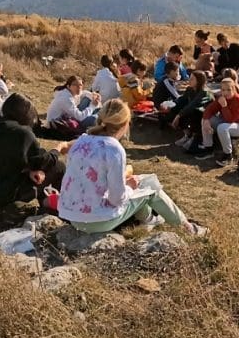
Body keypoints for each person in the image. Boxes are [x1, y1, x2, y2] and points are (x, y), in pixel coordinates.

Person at [58, 99, 207, 236]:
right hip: (97, 221)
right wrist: (129, 187)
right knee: (151, 190)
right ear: (125, 124)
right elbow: (117, 199)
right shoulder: (114, 149)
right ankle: (187, 228)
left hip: (73, 217)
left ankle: (149, 219)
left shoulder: (81, 141)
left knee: (144, 181)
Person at [0, 93, 65, 210]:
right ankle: (57, 207)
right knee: (58, 167)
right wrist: (58, 149)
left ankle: (46, 202)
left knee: (37, 172)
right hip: (1, 198)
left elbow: (4, 159)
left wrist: (30, 170)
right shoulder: (23, 133)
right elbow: (42, 161)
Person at [193, 79, 239, 166]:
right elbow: (209, 110)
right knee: (206, 119)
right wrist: (206, 121)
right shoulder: (222, 98)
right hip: (226, 123)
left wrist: (224, 106)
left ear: (234, 89)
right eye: (223, 90)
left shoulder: (238, 101)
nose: (225, 92)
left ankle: (228, 156)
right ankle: (208, 148)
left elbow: (230, 119)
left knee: (222, 128)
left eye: (228, 90)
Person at [169, 71, 214, 147]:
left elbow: (193, 105)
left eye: (192, 79)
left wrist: (178, 116)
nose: (189, 81)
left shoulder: (204, 92)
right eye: (190, 78)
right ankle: (187, 135)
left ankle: (195, 136)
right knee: (175, 108)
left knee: (194, 112)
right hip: (194, 111)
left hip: (206, 116)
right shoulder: (190, 89)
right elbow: (182, 99)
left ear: (199, 81)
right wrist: (170, 105)